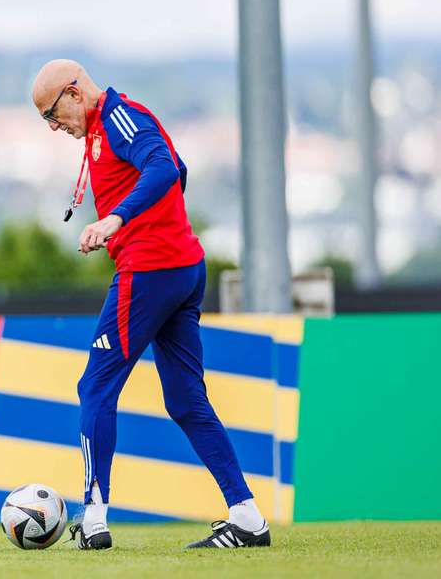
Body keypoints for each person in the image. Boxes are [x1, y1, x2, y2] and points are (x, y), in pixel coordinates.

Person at [30, 59, 271, 550]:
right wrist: (157, 223)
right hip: (183, 268)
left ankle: (93, 519)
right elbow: (177, 172)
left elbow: (162, 164)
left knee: (95, 385)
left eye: (53, 114)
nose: (56, 127)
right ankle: (247, 517)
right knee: (185, 400)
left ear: (75, 93)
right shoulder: (105, 128)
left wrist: (119, 221)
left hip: (150, 274)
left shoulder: (119, 117)